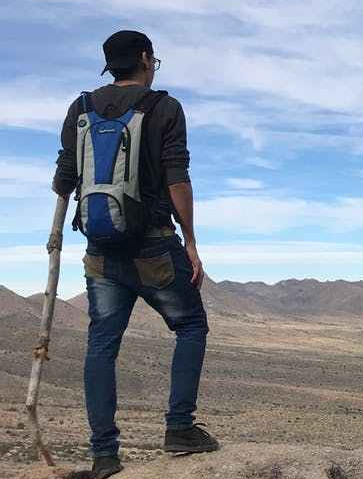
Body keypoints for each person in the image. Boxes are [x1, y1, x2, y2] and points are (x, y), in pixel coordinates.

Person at [51, 30, 218, 479]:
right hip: (152, 246)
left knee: (101, 346)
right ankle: (180, 427)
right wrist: (191, 239)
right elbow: (176, 178)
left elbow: (63, 180)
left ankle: (104, 456)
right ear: (146, 59)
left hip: (100, 250)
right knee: (190, 325)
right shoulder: (164, 107)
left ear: (111, 65)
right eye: (153, 60)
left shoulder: (80, 108)